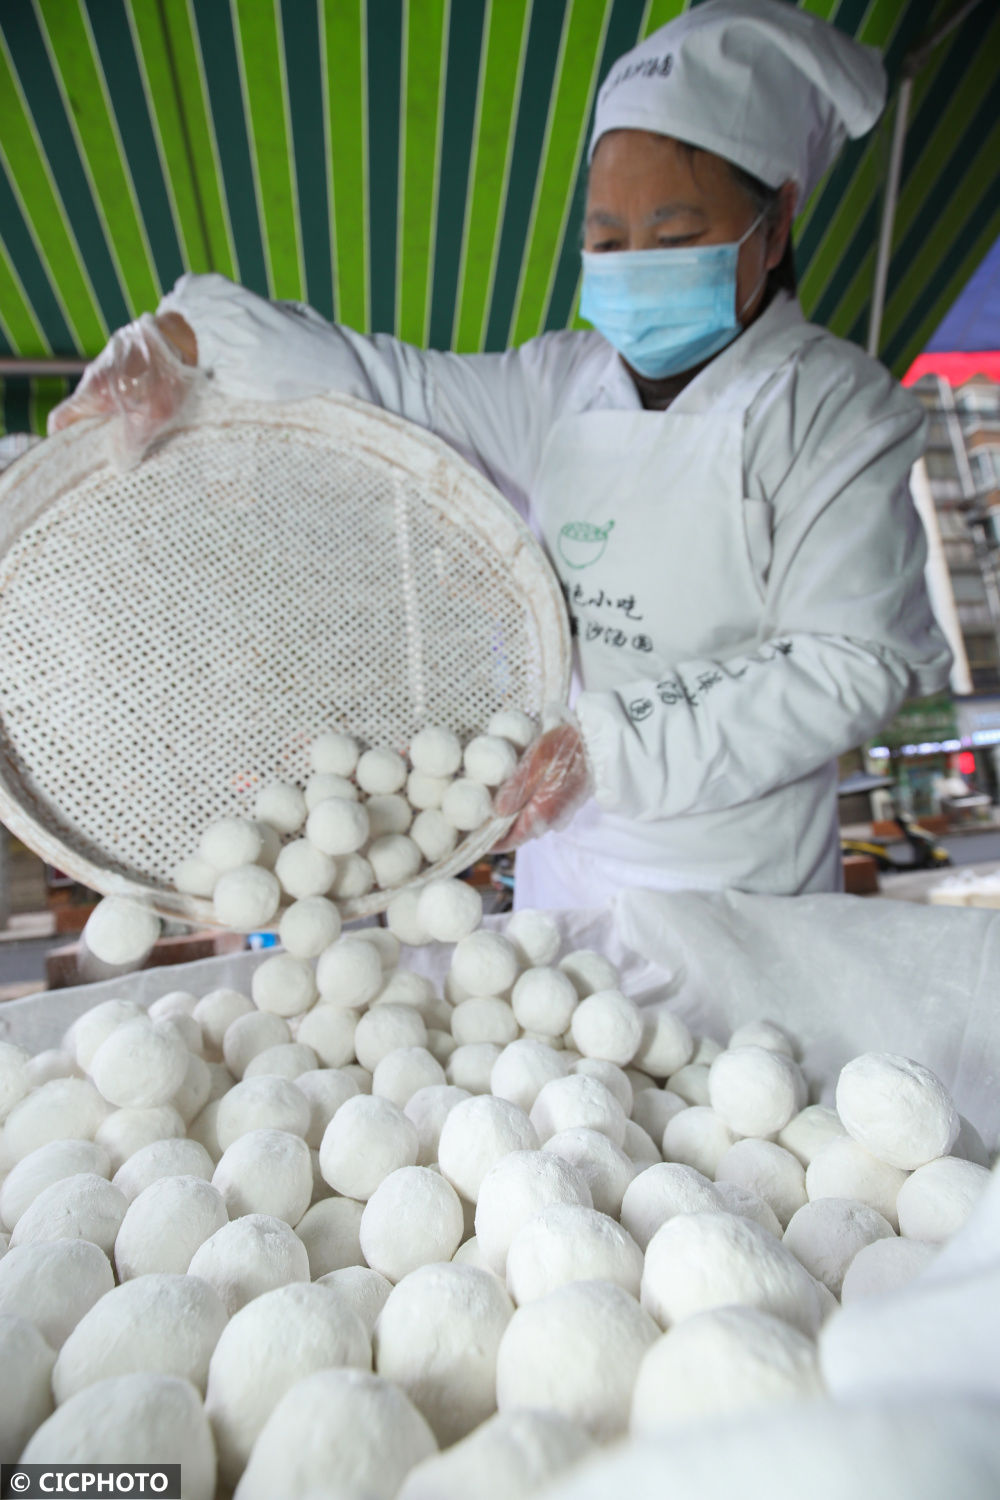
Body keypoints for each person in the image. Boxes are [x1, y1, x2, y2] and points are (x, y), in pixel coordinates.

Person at [50, 0, 951, 910]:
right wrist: (187, 339)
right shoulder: (559, 387)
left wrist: (610, 748)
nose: (636, 264)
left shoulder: (834, 410)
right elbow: (385, 383)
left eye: (675, 240)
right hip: (562, 877)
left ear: (779, 220)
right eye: (607, 242)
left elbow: (855, 658)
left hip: (748, 893)